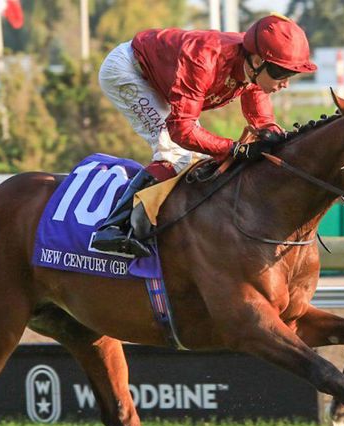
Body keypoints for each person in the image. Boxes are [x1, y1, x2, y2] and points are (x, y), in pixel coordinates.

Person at [90, 13, 317, 258]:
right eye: (280, 73)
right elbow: (182, 131)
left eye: (290, 75)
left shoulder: (253, 69)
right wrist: (236, 149)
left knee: (196, 158)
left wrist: (275, 137)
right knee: (175, 152)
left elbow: (261, 120)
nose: (285, 84)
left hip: (163, 80)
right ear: (257, 60)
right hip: (128, 70)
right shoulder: (204, 60)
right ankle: (113, 228)